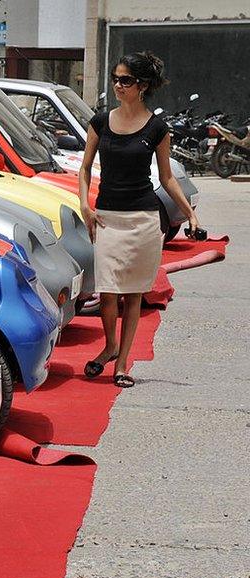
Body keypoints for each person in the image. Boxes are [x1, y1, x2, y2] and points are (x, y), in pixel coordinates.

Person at [79, 51, 200, 388]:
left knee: (132, 295)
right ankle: (110, 345)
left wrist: (189, 213)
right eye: (116, 78)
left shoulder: (157, 128)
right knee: (106, 292)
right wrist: (85, 207)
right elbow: (85, 168)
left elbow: (167, 177)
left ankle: (121, 364)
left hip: (144, 219)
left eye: (126, 80)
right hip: (106, 217)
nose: (118, 85)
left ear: (143, 86)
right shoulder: (100, 122)